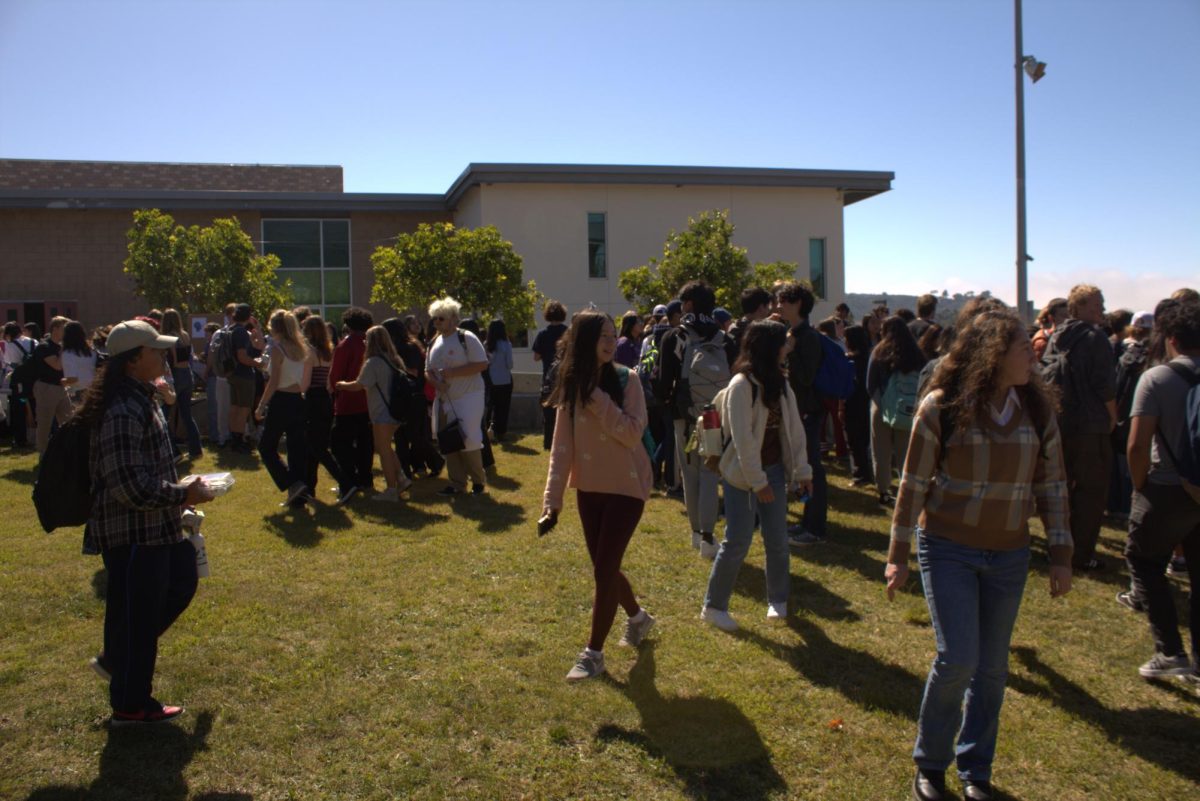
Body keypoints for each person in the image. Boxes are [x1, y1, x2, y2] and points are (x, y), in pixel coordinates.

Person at [884, 309, 1072, 801]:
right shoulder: (941, 407)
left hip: (1009, 556)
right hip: (949, 549)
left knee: (992, 669)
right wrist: (898, 553)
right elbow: (913, 485)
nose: (1031, 353)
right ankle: (930, 765)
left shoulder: (1037, 411)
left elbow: (1052, 485)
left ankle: (976, 770)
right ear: (991, 355)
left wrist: (1060, 552)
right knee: (958, 658)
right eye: (1019, 347)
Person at [79, 319, 215, 726]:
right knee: (139, 614)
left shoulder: (143, 398)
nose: (164, 356)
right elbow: (128, 486)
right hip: (133, 532)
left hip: (156, 526)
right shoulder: (122, 408)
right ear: (134, 360)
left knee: (180, 581)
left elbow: (147, 472)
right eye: (156, 350)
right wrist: (182, 494)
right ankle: (130, 702)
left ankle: (118, 658)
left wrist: (179, 495)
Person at [542, 311, 656, 680]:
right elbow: (562, 447)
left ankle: (593, 654)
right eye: (602, 336)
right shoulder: (572, 385)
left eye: (612, 335)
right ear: (584, 340)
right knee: (603, 568)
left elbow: (632, 433)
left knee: (605, 569)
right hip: (589, 489)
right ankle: (638, 618)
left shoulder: (628, 380)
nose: (610, 342)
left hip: (627, 487)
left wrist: (598, 399)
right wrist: (551, 502)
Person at [701, 320, 813, 630]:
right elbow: (743, 441)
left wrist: (802, 471)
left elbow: (794, 432)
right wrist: (758, 482)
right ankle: (714, 606)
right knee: (737, 540)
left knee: (777, 539)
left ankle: (778, 600)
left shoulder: (781, 382)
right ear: (769, 347)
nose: (787, 348)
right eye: (783, 343)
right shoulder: (741, 385)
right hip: (742, 474)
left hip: (774, 472)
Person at [1123, 299, 1200, 680]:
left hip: (1168, 487)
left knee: (1145, 561)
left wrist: (1140, 487)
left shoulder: (1157, 379)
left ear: (1171, 339)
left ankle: (1170, 650)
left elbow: (1138, 445)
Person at [658, 281, 737, 558]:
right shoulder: (724, 339)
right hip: (716, 416)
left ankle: (695, 533)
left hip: (685, 417)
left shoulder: (674, 337)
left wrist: (670, 404)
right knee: (709, 473)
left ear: (688, 304)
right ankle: (708, 536)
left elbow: (661, 381)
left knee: (688, 473)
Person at [1044, 284, 1117, 571]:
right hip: (1091, 425)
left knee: (1061, 489)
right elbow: (1105, 385)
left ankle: (1057, 547)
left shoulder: (1057, 335)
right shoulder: (1096, 337)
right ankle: (1081, 554)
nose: (1102, 308)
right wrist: (1112, 417)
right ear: (1079, 307)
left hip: (1062, 422)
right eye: (1096, 304)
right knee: (1091, 493)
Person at [773, 281, 828, 545]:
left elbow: (805, 379)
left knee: (813, 468)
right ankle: (807, 522)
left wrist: (791, 352)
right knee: (803, 468)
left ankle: (815, 528)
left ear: (798, 304)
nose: (779, 305)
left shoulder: (807, 337)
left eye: (783, 301)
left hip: (809, 411)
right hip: (800, 410)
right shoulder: (794, 333)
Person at [336, 325, 413, 502]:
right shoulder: (393, 359)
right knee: (386, 447)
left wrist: (341, 384)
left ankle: (391, 490)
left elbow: (359, 385)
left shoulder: (373, 362)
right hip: (395, 411)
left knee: (383, 451)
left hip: (381, 413)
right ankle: (401, 478)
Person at [426, 297, 489, 496]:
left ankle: (478, 481)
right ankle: (457, 483)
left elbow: (482, 364)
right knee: (448, 441)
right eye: (434, 319)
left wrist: (453, 373)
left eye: (441, 318)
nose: (437, 322)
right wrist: (436, 383)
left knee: (470, 438)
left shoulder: (466, 337)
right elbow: (427, 370)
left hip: (469, 396)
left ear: (453, 318)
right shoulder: (434, 341)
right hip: (444, 398)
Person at [256, 310, 314, 507]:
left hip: (281, 400)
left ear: (275, 327)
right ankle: (298, 496)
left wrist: (261, 405)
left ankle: (291, 483)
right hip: (298, 399)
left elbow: (273, 381)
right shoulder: (301, 348)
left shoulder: (278, 349)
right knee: (296, 449)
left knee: (266, 446)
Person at [868, 316, 927, 507]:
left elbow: (870, 384)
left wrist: (881, 404)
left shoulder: (878, 352)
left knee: (881, 453)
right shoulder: (917, 354)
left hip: (882, 407)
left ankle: (884, 491)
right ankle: (906, 490)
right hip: (908, 410)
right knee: (906, 453)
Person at [300, 315, 351, 503]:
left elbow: (305, 382)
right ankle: (309, 488)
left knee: (317, 447)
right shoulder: (329, 351)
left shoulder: (310, 352)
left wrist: (298, 395)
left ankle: (345, 482)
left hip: (312, 400)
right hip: (325, 399)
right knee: (314, 446)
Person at [329, 307, 376, 502]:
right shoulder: (370, 344)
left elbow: (335, 375)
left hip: (348, 400)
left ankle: (349, 479)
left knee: (341, 444)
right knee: (366, 442)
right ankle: (365, 478)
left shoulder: (345, 345)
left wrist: (335, 389)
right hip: (368, 401)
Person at [160, 310, 202, 459]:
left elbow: (174, 361)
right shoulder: (185, 335)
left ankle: (173, 450)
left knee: (164, 415)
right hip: (187, 374)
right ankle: (196, 449)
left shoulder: (169, 338)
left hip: (176, 375)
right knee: (187, 415)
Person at [32, 316, 72, 456]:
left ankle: (67, 451)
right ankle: (43, 453)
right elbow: (57, 365)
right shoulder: (44, 346)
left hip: (61, 387)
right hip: (46, 388)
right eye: (63, 329)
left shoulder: (61, 347)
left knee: (68, 420)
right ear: (55, 329)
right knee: (45, 423)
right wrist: (63, 349)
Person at [532, 300, 569, 451]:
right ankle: (565, 440)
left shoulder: (543, 334)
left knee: (548, 414)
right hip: (565, 376)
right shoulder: (568, 332)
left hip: (548, 377)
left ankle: (548, 443)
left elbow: (536, 357)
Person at [226, 303, 261, 453]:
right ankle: (239, 440)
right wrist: (257, 364)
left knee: (235, 407)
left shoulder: (230, 329)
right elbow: (242, 356)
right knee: (244, 408)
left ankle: (234, 438)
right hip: (244, 374)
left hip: (232, 373)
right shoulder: (240, 332)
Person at [843, 324, 875, 487]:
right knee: (864, 440)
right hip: (868, 403)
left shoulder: (850, 361)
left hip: (853, 403)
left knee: (855, 441)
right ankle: (866, 472)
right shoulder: (869, 359)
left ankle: (860, 474)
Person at [2, 321, 35, 446]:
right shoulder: (32, 342)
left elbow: (9, 362)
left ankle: (21, 438)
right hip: (34, 380)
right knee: (34, 405)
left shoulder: (10, 345)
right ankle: (36, 435)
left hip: (19, 381)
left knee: (18, 409)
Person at [484, 319, 515, 440]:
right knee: (503, 407)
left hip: (491, 380)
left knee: (490, 406)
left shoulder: (486, 344)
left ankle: (488, 429)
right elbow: (510, 365)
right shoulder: (506, 344)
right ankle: (501, 431)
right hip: (505, 380)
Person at [201, 322, 230, 449]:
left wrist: (205, 372)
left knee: (214, 408)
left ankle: (216, 436)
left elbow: (210, 361)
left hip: (214, 376)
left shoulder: (212, 343)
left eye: (207, 333)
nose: (205, 336)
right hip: (223, 377)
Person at [59, 320, 99, 406]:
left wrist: (62, 381)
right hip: (94, 389)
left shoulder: (68, 354)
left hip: (79, 392)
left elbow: (72, 379)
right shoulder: (91, 351)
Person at [728, 286, 772, 350]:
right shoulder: (759, 334)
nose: (769, 310)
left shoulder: (733, 327)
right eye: (768, 306)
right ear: (761, 307)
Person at [1031, 297, 1068, 362]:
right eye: (1064, 316)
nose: (1068, 319)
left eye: (1070, 315)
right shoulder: (1042, 342)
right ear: (1051, 317)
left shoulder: (1072, 336)